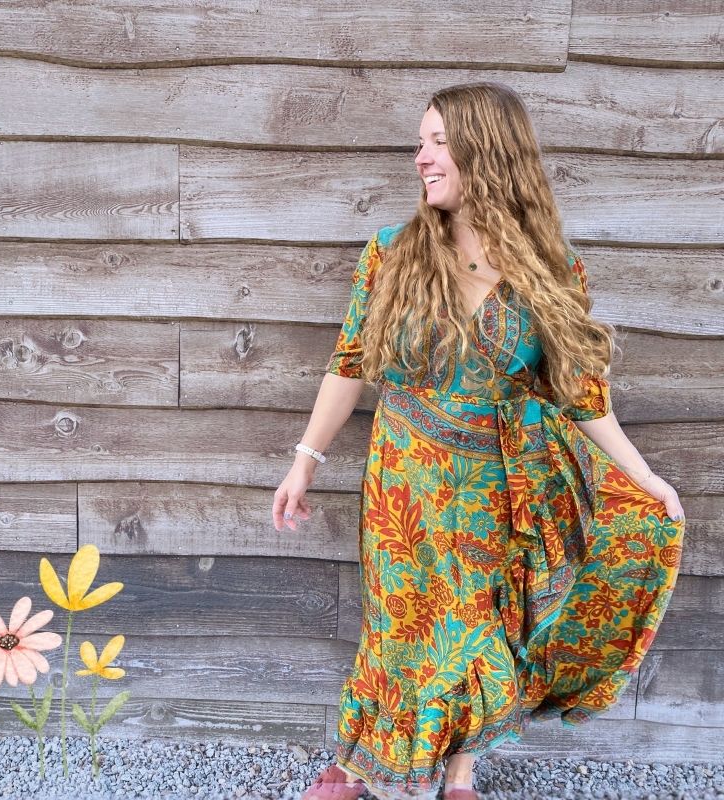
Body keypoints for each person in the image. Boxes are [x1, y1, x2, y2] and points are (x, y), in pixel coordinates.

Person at [272, 82, 686, 800]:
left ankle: (459, 773)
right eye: (421, 142)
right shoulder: (391, 254)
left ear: (485, 151)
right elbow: (349, 364)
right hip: (401, 485)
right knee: (397, 625)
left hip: (494, 490)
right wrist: (305, 462)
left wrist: (644, 478)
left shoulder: (552, 270)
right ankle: (356, 763)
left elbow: (583, 395)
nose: (420, 157)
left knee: (476, 633)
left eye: (437, 141)